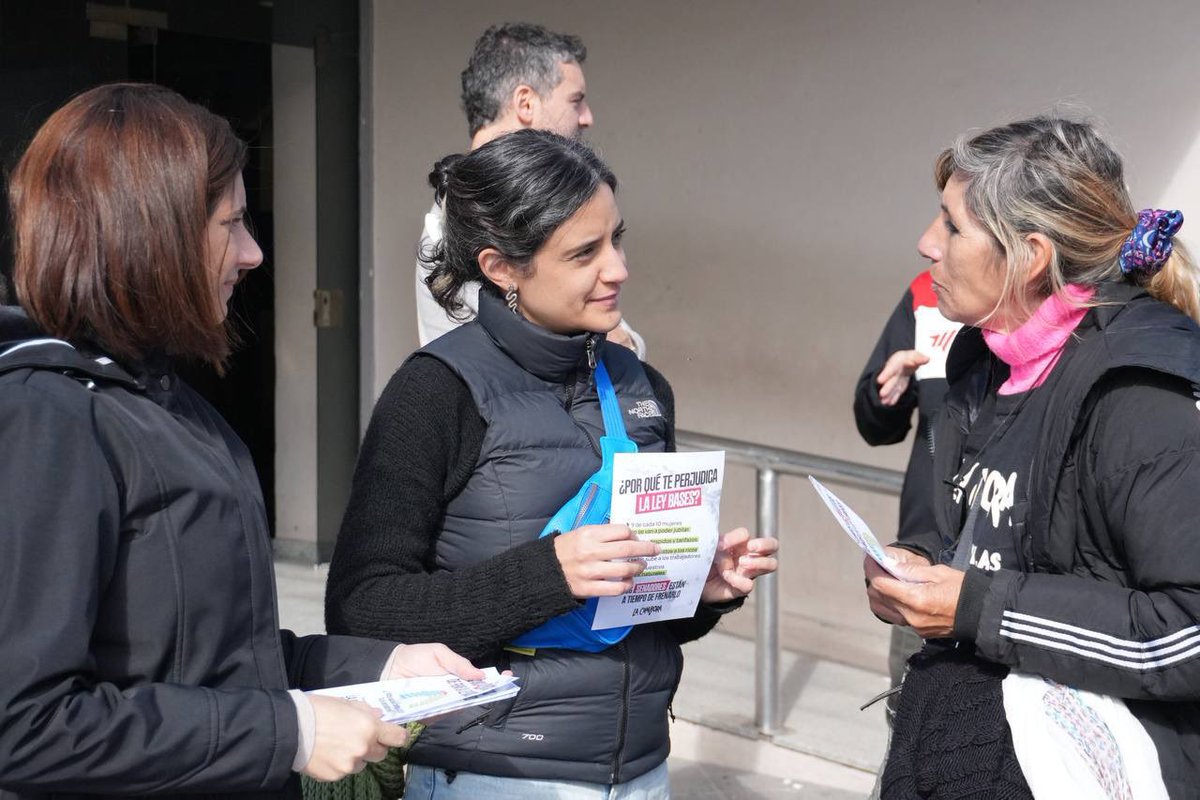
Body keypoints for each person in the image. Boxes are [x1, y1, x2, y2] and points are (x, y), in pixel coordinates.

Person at [0, 83, 481, 800]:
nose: (253, 254)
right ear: (147, 234)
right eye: (232, 224)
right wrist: (290, 732)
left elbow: (215, 664)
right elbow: (25, 725)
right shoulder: (49, 418)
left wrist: (376, 667)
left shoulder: (183, 412)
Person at [326, 128, 778, 799]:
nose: (618, 268)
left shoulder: (640, 386)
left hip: (641, 769)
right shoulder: (435, 390)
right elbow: (362, 608)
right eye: (584, 252)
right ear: (502, 267)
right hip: (491, 774)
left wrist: (697, 591)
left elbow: (634, 618)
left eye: (617, 239)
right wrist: (550, 573)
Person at [863, 117, 1200, 798]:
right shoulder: (979, 361)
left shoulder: (1138, 391)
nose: (927, 244)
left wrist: (980, 608)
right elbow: (989, 539)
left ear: (1031, 255)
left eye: (953, 227)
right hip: (957, 748)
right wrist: (918, 561)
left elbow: (1187, 633)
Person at [415, 22, 645, 357]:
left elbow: (623, 345)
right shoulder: (457, 224)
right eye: (575, 100)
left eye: (614, 240)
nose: (587, 118)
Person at [853, 270, 961, 793]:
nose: (930, 244)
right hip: (923, 562)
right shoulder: (928, 290)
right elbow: (876, 426)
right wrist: (884, 394)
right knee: (907, 734)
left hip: (1007, 585)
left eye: (950, 225)